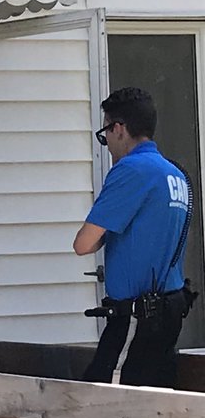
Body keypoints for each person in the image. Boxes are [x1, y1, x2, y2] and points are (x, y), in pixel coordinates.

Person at [74, 87, 195, 388]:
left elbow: (84, 243)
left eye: (106, 135)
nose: (108, 145)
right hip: (170, 309)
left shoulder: (131, 170)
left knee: (107, 398)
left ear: (119, 128)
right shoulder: (175, 174)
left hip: (136, 315)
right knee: (156, 399)